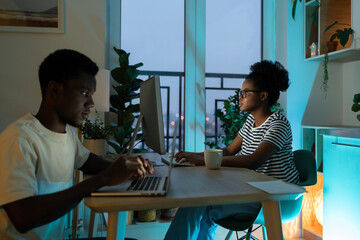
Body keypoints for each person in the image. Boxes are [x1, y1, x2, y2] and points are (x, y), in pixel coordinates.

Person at [0, 49, 154, 240]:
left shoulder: (67, 134)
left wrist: (126, 168)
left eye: (91, 94)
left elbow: (88, 160)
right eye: (84, 93)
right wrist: (103, 179)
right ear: (54, 90)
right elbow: (22, 218)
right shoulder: (20, 139)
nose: (90, 103)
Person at [164, 60, 300, 240]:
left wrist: (203, 160)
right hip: (255, 190)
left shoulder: (278, 124)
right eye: (240, 92)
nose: (240, 97)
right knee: (199, 202)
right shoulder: (250, 122)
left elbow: (253, 161)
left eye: (245, 93)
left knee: (197, 204)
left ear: (263, 96)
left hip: (277, 197)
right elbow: (229, 151)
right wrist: (192, 156)